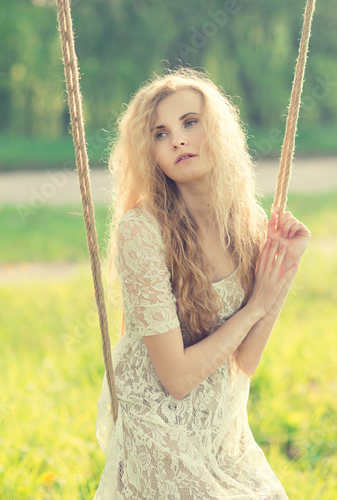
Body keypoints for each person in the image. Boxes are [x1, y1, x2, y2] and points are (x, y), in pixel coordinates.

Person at [94, 68, 311, 499]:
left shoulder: (247, 223)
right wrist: (254, 307)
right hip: (157, 427)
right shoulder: (142, 231)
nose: (177, 139)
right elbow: (175, 378)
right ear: (149, 153)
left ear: (218, 130)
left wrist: (285, 266)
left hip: (222, 429)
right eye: (160, 133)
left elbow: (246, 359)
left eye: (189, 122)